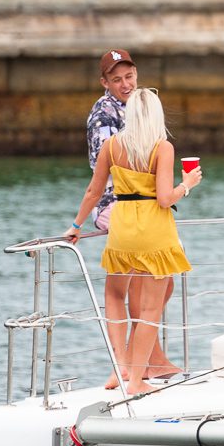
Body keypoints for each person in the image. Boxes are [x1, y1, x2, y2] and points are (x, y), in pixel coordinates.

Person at [67, 88, 200, 394]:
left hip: (122, 226)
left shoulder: (112, 146)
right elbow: (165, 199)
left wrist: (76, 225)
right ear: (155, 115)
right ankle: (137, 380)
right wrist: (188, 184)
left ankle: (119, 369)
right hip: (153, 228)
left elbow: (93, 191)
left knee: (114, 297)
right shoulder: (161, 148)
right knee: (150, 310)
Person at [85, 50, 179, 378]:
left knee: (158, 287)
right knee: (138, 290)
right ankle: (131, 366)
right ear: (104, 83)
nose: (125, 84)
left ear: (136, 74)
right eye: (116, 79)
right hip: (121, 206)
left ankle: (144, 361)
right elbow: (105, 172)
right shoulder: (104, 115)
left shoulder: (137, 104)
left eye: (129, 76)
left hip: (142, 204)